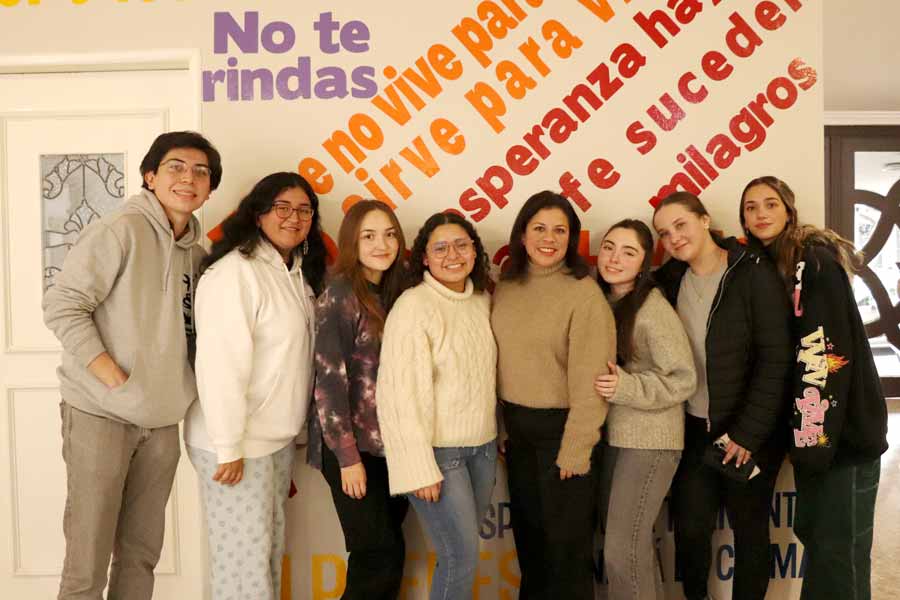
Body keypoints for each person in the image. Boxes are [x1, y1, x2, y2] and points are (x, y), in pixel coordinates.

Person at [42, 131, 221, 599]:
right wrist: (112, 375)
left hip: (161, 424)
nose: (189, 178)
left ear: (209, 188)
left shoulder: (198, 257)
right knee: (87, 563)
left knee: (140, 558)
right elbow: (62, 304)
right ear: (150, 176)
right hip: (101, 414)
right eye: (176, 167)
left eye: (201, 172)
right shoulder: (120, 229)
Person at [740, 176, 888, 600]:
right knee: (837, 550)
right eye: (751, 207)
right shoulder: (776, 264)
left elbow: (824, 359)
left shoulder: (812, 263)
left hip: (842, 439)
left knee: (833, 553)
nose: (761, 213)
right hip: (831, 437)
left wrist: (811, 445)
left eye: (770, 204)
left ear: (789, 210)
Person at [183, 172, 325, 600]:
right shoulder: (235, 274)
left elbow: (292, 362)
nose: (293, 218)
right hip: (233, 444)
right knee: (243, 572)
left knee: (265, 557)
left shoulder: (295, 275)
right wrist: (228, 445)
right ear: (258, 214)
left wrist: (296, 430)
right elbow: (220, 366)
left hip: (274, 442)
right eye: (282, 208)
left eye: (303, 210)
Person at [652, 191, 792, 600]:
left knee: (750, 535)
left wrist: (747, 435)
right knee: (691, 531)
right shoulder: (670, 279)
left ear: (704, 219)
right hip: (695, 431)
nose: (674, 238)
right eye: (664, 233)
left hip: (750, 434)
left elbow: (776, 359)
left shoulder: (752, 272)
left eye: (680, 225)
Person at [491, 190, 616, 600]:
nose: (549, 238)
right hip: (519, 438)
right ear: (522, 235)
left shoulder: (583, 294)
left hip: (564, 438)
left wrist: (577, 448)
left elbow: (590, 381)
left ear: (572, 238)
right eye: (539, 228)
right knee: (532, 549)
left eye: (560, 230)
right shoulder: (506, 287)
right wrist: (503, 431)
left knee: (566, 556)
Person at [376, 212, 497, 600]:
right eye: (440, 247)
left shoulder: (481, 300)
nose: (453, 255)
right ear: (424, 258)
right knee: (459, 558)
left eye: (462, 245)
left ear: (475, 252)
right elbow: (399, 395)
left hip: (483, 449)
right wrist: (418, 467)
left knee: (463, 557)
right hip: (441, 456)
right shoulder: (414, 307)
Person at [309, 200, 410, 599]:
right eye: (369, 235)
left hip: (394, 447)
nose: (381, 244)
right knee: (377, 553)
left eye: (389, 234)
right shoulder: (339, 295)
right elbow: (328, 383)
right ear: (352, 242)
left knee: (387, 553)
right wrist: (348, 458)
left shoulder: (400, 290)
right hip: (350, 447)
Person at [594, 219, 696, 600]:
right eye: (608, 247)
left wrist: (626, 386)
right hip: (617, 437)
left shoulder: (653, 309)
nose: (614, 258)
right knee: (629, 548)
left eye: (628, 252)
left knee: (623, 551)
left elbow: (683, 378)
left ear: (645, 263)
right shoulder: (602, 300)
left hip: (651, 440)